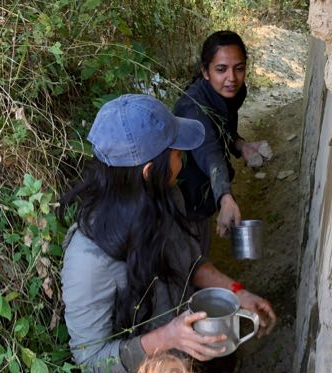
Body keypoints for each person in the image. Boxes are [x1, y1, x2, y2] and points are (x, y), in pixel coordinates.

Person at [59, 94, 276, 373]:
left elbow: (191, 262)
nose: (182, 163)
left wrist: (237, 292)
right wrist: (166, 337)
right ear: (150, 172)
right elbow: (92, 361)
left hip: (190, 355)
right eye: (176, 154)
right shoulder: (88, 259)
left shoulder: (167, 198)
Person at [174, 30, 267, 257]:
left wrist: (241, 145)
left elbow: (224, 131)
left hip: (206, 192)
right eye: (221, 69)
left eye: (239, 68)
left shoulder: (235, 92)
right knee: (188, 253)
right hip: (184, 194)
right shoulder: (192, 106)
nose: (232, 78)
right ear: (205, 71)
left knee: (199, 248)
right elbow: (210, 152)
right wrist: (226, 197)